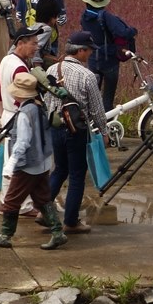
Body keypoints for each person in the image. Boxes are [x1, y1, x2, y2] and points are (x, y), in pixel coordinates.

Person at [0, 72, 67, 250]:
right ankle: (58, 232)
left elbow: (22, 142)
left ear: (20, 94)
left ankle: (5, 235)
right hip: (43, 162)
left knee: (12, 201)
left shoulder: (24, 113)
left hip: (28, 165)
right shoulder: (38, 106)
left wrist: (11, 164)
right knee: (42, 198)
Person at [46, 31, 110, 233]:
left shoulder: (51, 69)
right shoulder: (87, 76)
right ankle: (71, 221)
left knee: (59, 170)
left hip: (55, 127)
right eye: (89, 50)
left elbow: (46, 100)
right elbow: (97, 109)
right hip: (76, 131)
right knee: (76, 175)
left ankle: (44, 211)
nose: (90, 54)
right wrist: (104, 132)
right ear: (81, 51)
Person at [0, 26, 42, 217]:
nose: (36, 47)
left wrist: (1, 115)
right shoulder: (20, 67)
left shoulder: (6, 60)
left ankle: (8, 202)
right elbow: (22, 97)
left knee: (11, 160)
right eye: (33, 43)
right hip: (18, 116)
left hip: (7, 114)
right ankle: (20, 205)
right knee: (22, 163)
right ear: (20, 44)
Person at [79, 0, 138, 111]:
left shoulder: (84, 16)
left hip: (93, 59)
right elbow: (121, 33)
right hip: (109, 61)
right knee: (107, 98)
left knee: (92, 97)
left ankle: (91, 123)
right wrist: (133, 30)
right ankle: (107, 123)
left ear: (87, 0)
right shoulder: (105, 16)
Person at [30, 0, 62, 68]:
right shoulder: (46, 29)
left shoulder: (34, 26)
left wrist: (54, 59)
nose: (56, 20)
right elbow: (35, 49)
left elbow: (42, 52)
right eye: (55, 17)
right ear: (50, 17)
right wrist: (39, 70)